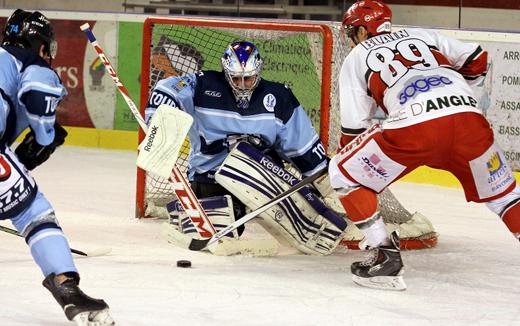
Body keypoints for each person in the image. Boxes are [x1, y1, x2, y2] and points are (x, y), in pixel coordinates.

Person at [330, 0, 520, 290]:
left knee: (342, 171)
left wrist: (356, 161)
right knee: (506, 197)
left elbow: (354, 131)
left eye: (354, 32)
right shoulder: (423, 35)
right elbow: (478, 57)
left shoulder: (357, 57)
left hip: (413, 128)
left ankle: (384, 256)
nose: (353, 38)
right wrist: (457, 93)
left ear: (363, 31)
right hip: (469, 121)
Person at [1, 10, 114, 325]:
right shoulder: (31, 63)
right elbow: (38, 94)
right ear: (40, 45)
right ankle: (67, 289)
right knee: (33, 212)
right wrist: (44, 135)